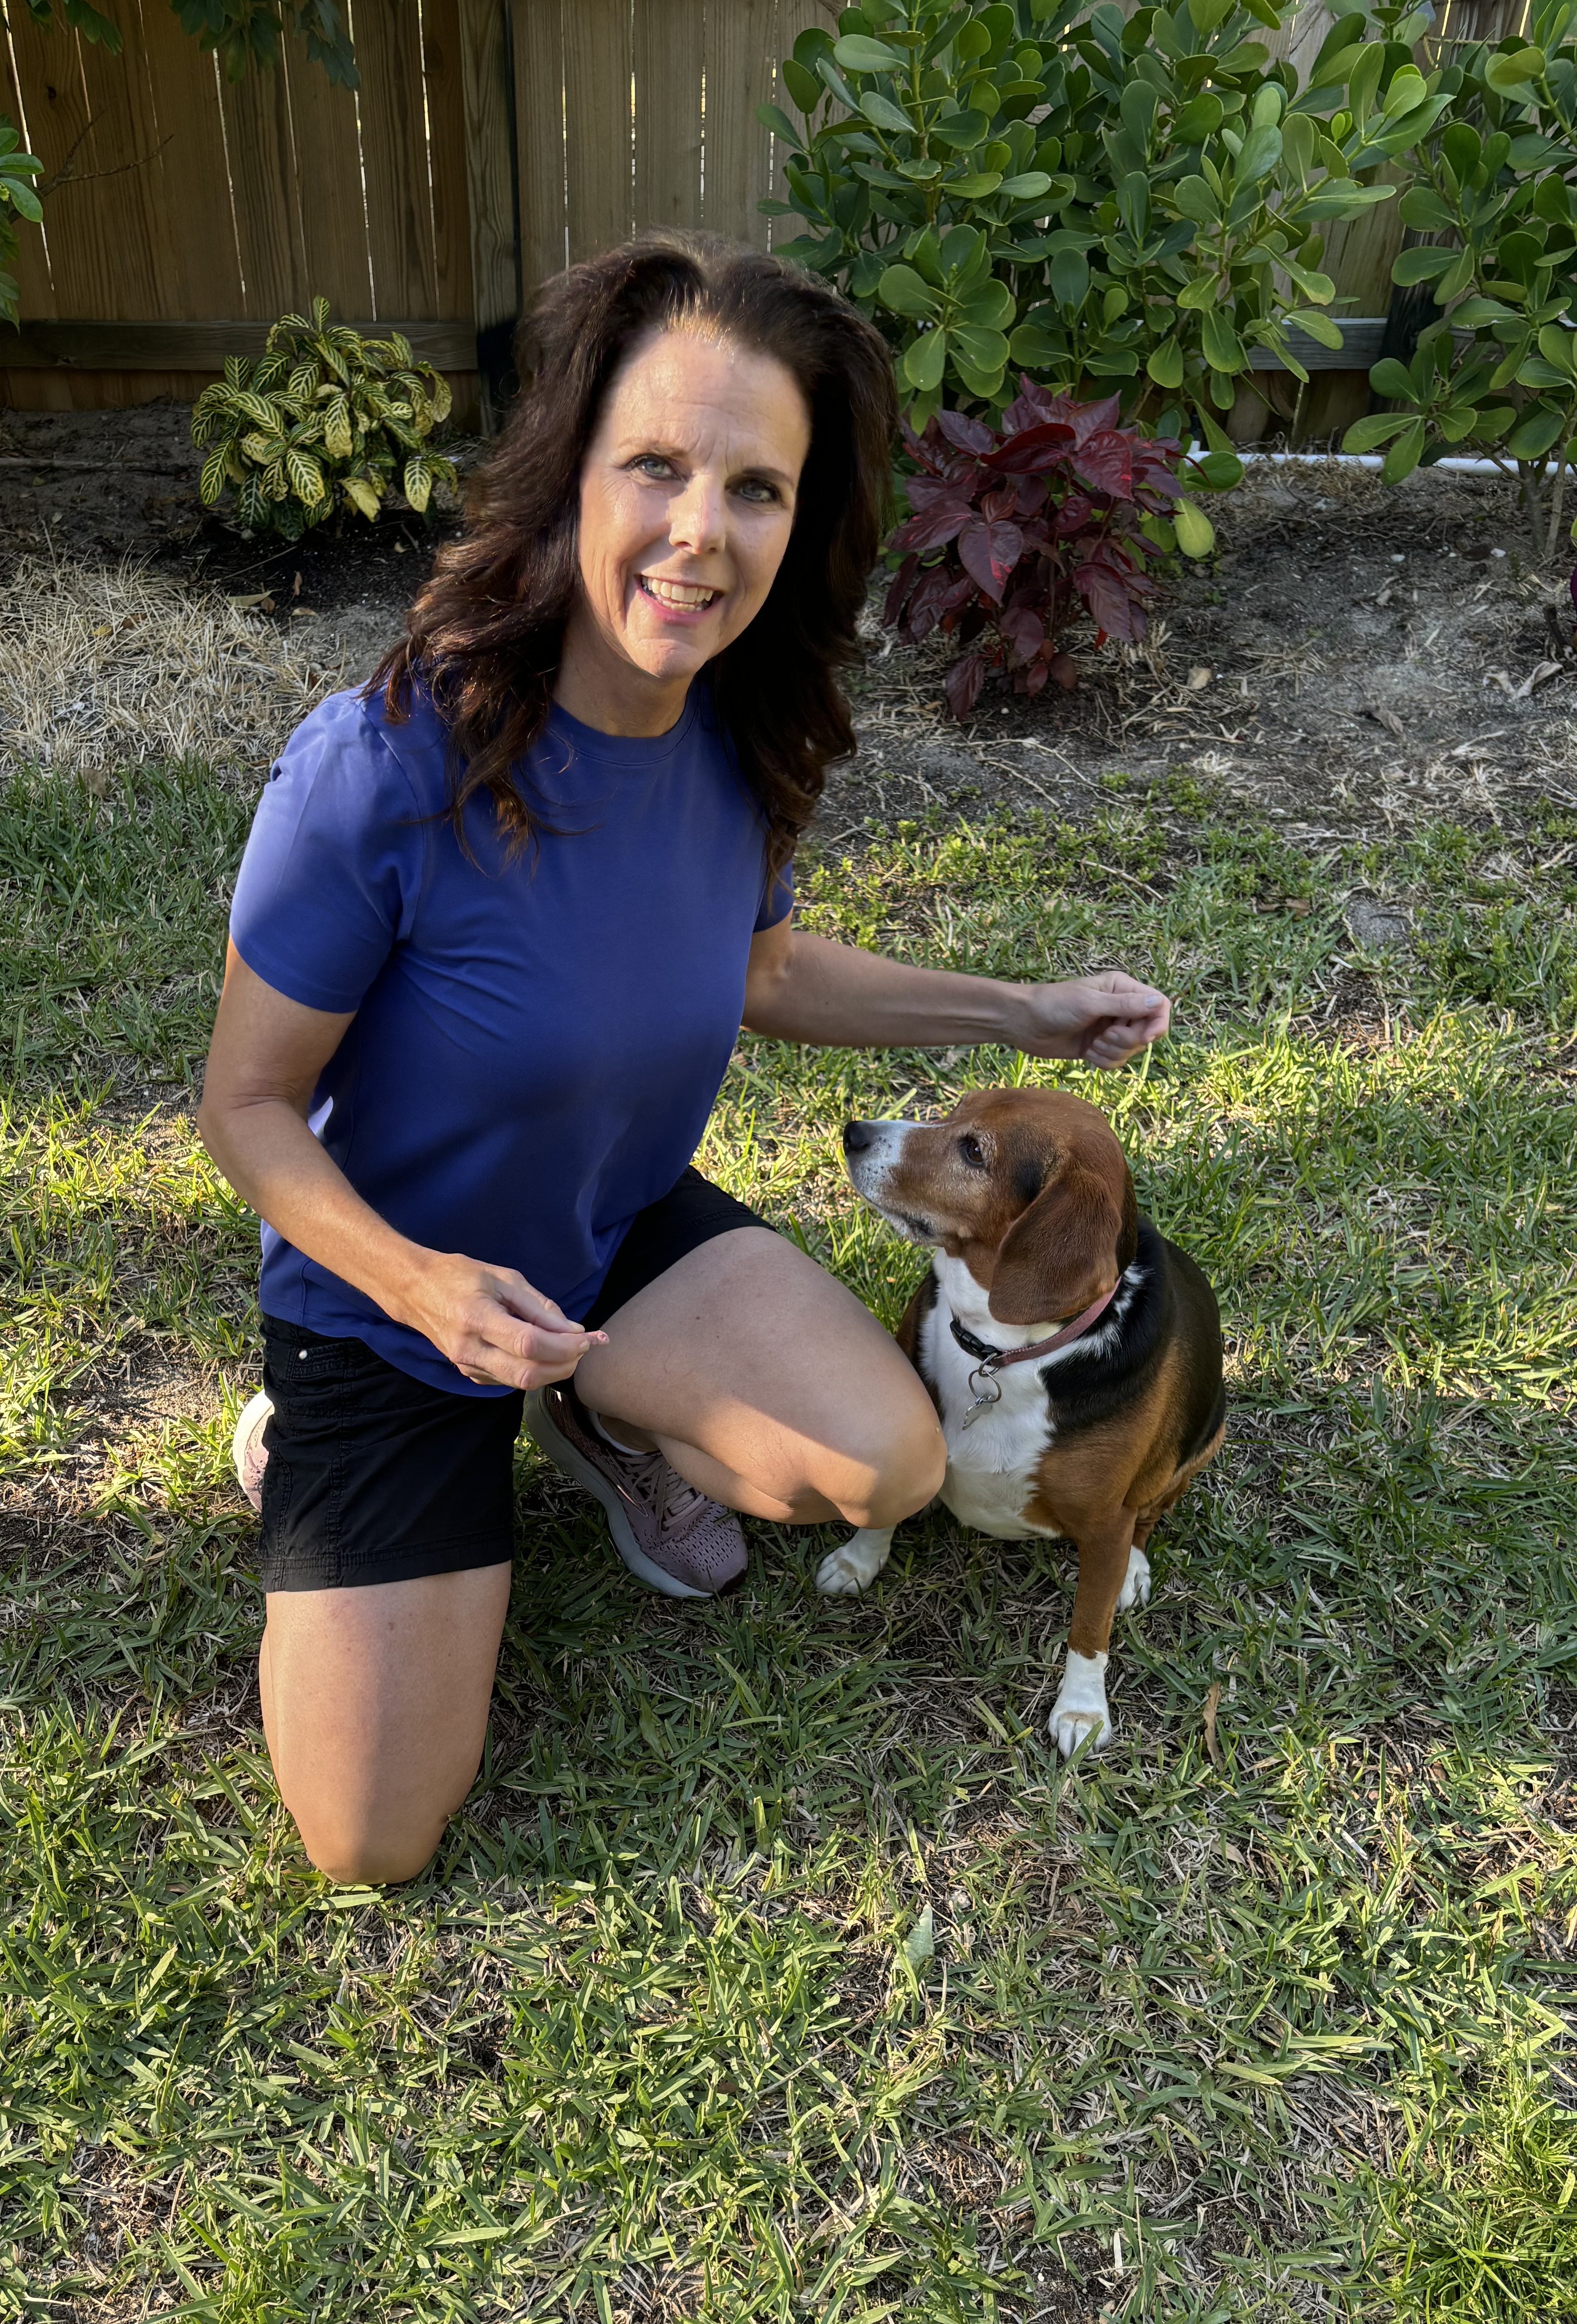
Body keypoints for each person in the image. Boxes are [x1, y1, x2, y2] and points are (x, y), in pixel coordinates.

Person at [197, 232, 1170, 1886]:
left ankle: (584, 1412)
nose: (697, 533)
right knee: (367, 1841)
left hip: (607, 1231)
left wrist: (1021, 1009)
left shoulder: (735, 735)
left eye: (756, 488)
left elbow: (765, 973)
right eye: (654, 464)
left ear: (804, 522)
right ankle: (311, 1446)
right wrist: (427, 1290)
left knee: (883, 1462)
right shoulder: (382, 760)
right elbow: (246, 1108)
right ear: (568, 466)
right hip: (384, 1293)